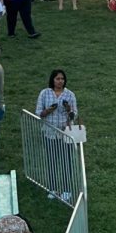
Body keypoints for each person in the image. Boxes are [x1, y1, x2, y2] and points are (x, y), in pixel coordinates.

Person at [35, 70, 79, 202]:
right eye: (57, 79)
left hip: (66, 134)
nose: (60, 81)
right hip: (49, 133)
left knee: (66, 163)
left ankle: (66, 190)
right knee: (52, 162)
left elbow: (75, 115)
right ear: (52, 80)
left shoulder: (70, 95)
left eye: (62, 79)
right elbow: (38, 113)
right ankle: (53, 189)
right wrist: (48, 110)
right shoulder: (44, 93)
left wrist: (69, 110)